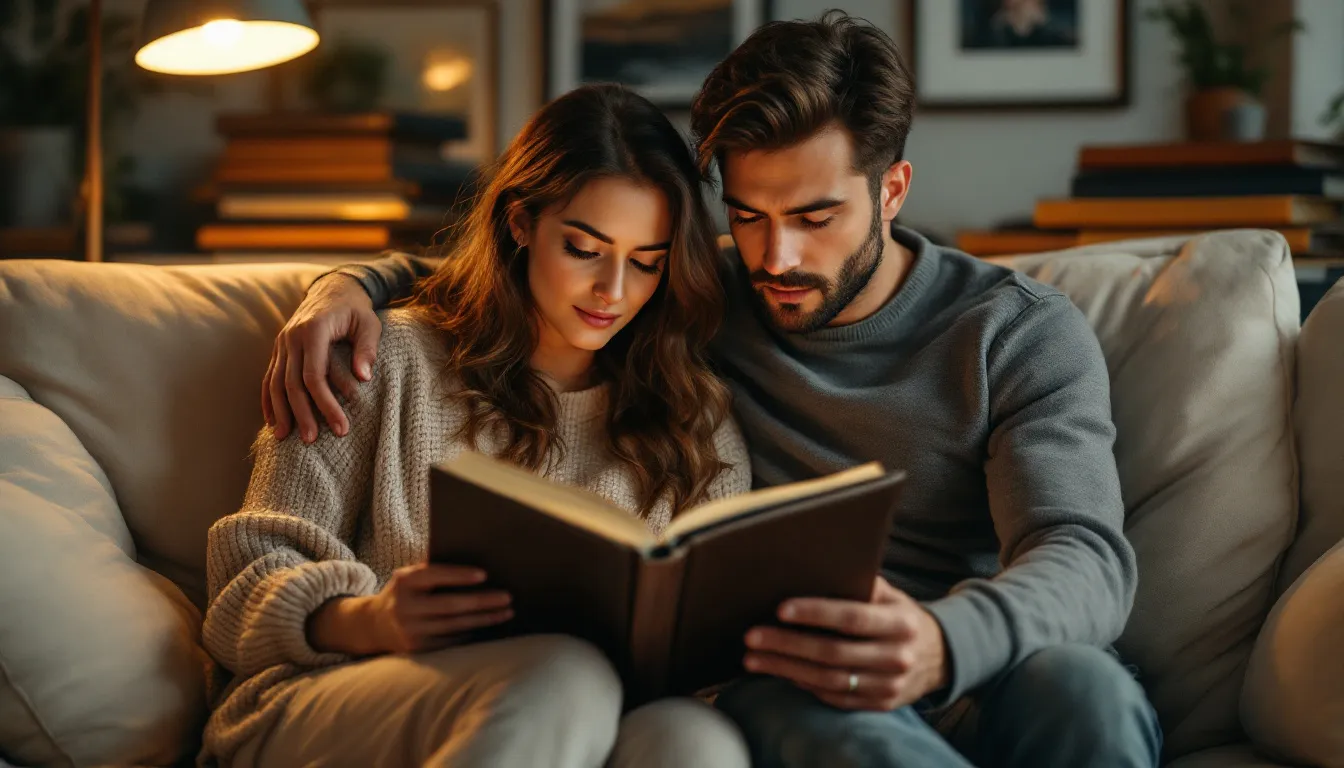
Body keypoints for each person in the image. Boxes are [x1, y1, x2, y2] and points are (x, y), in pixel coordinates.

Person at [264, 12, 1162, 768]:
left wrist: (943, 643)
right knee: (775, 707)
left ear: (892, 191)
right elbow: (517, 268)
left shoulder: (1016, 329)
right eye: (747, 216)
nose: (777, 259)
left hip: (968, 657)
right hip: (796, 684)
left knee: (1080, 682)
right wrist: (347, 286)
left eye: (815, 219)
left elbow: (1083, 554)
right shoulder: (691, 296)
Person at [201, 84, 753, 768]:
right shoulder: (386, 360)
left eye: (646, 262)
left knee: (697, 742)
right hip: (337, 695)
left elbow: (708, 660)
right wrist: (371, 619)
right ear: (520, 223)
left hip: (583, 721)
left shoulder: (693, 418)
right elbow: (242, 585)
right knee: (563, 675)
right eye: (584, 249)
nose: (614, 292)